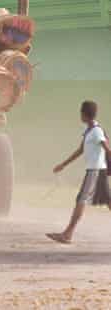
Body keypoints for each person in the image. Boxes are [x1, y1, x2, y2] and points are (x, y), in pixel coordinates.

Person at [48, 100, 111, 244]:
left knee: (81, 200)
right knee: (108, 201)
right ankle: (67, 234)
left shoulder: (96, 130)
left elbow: (107, 149)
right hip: (96, 170)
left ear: (84, 114)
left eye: (80, 112)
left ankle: (67, 234)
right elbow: (80, 150)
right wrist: (63, 165)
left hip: (95, 171)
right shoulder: (88, 130)